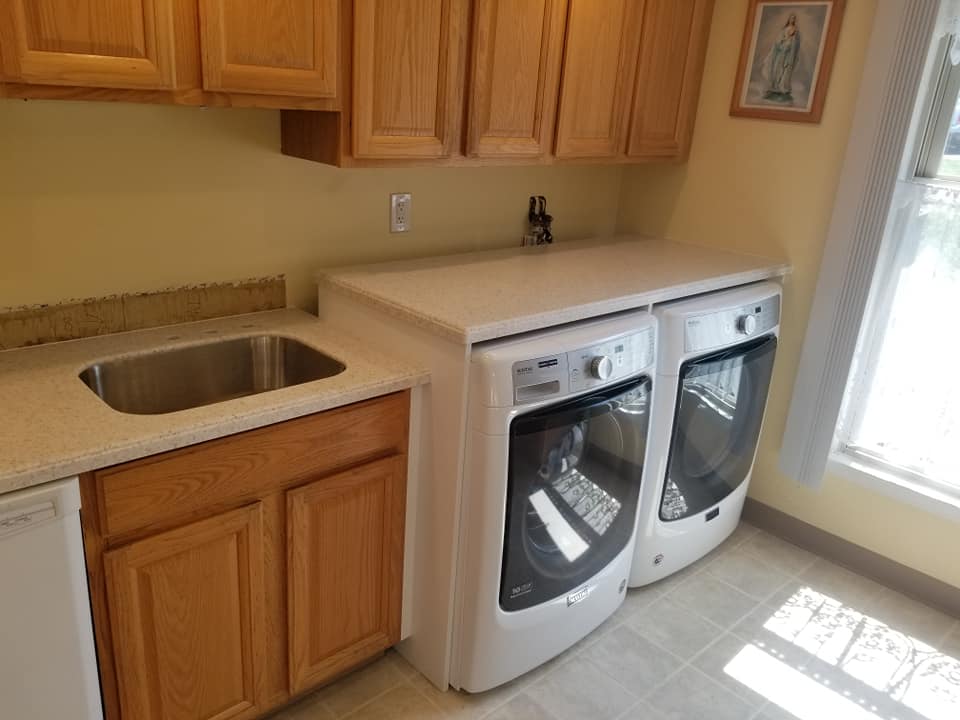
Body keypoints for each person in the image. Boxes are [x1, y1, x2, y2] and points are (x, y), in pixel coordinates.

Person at [763, 13, 801, 102]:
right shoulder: (785, 29)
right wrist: (782, 42)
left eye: (794, 19)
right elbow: (779, 39)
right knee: (777, 68)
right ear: (789, 19)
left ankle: (782, 87)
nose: (792, 20)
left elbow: (795, 43)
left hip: (788, 53)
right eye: (791, 18)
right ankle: (774, 86)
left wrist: (790, 44)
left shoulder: (796, 30)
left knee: (785, 69)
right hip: (781, 50)